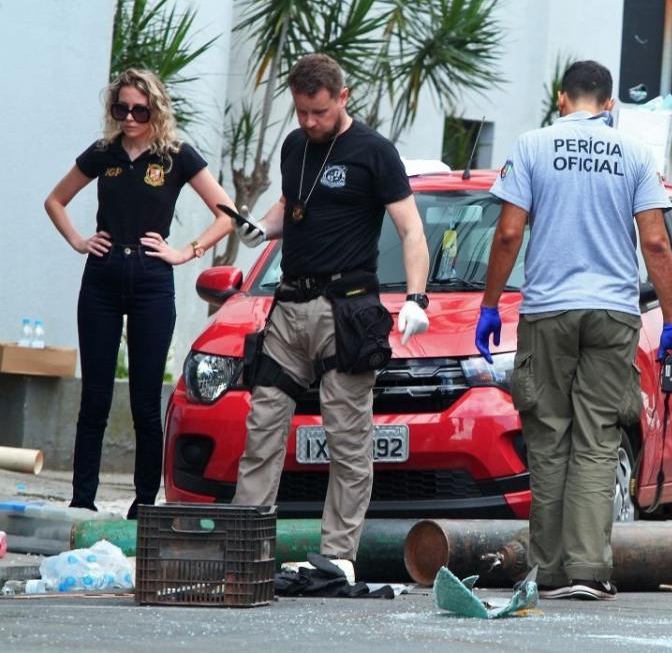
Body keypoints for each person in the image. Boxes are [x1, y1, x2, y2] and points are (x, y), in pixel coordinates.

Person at [474, 60, 672, 601]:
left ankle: (547, 572)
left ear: (562, 98)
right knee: (597, 439)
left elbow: (507, 235)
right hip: (614, 314)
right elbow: (658, 244)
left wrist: (490, 306)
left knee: (548, 438)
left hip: (547, 311)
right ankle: (590, 571)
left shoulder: (531, 146)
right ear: (611, 104)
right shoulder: (636, 156)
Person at [230, 54, 430, 578]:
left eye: (318, 112)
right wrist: (263, 228)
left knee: (347, 438)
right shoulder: (295, 145)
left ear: (343, 98)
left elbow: (411, 230)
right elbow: (290, 203)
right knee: (263, 425)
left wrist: (416, 298)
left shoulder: (374, 152)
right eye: (301, 112)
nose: (309, 123)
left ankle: (339, 554)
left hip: (346, 310)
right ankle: (245, 541)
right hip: (289, 308)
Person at [44, 69, 237, 519]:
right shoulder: (103, 153)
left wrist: (186, 251)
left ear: (155, 110)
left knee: (146, 396)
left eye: (139, 110)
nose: (129, 118)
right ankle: (82, 498)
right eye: (121, 109)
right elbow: (55, 200)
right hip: (103, 276)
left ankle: (145, 499)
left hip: (151, 277)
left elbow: (226, 214)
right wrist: (78, 241)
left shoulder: (176, 155)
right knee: (95, 395)